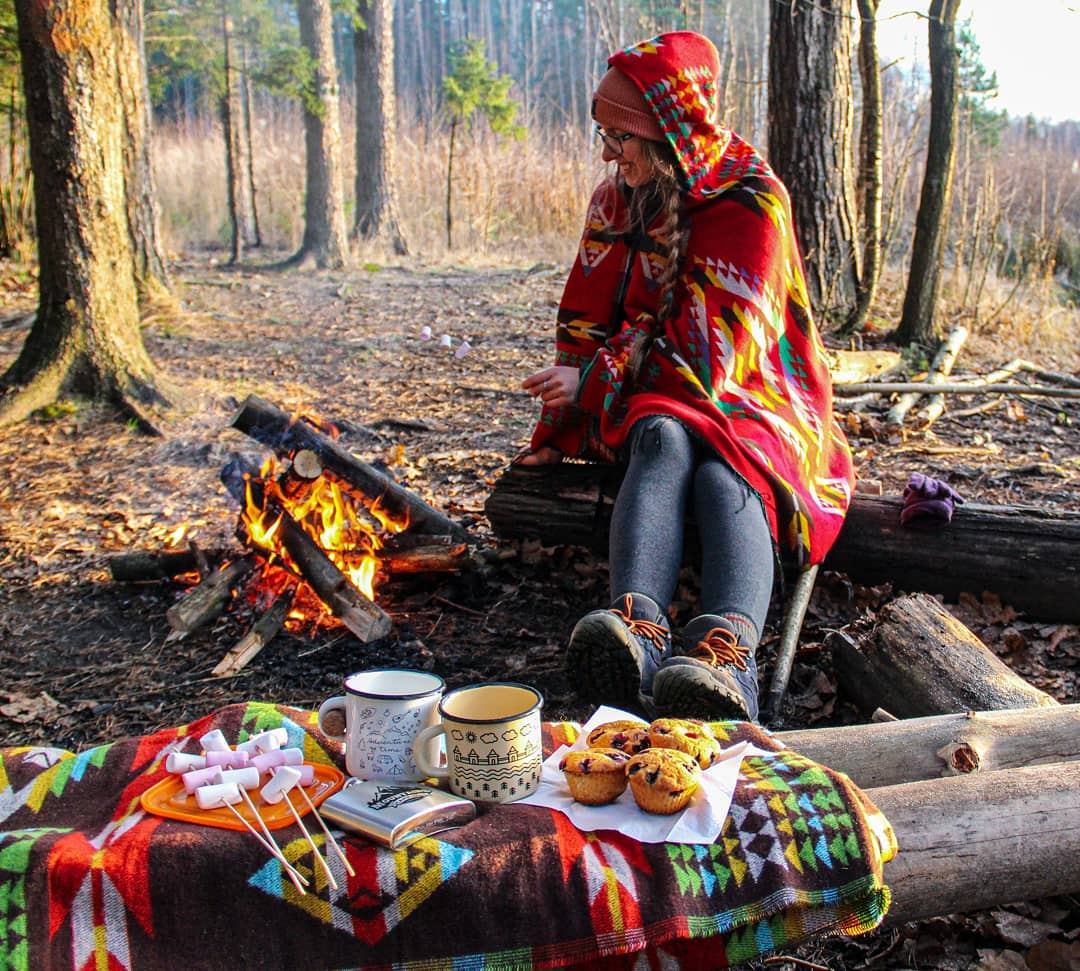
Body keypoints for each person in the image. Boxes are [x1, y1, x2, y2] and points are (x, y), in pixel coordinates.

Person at [516, 30, 854, 722]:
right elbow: (587, 312)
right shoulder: (620, 200)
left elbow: (719, 361)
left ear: (667, 131)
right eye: (603, 135)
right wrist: (562, 416)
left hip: (760, 398)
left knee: (727, 469)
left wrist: (599, 383)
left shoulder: (753, 202)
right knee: (662, 435)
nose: (608, 154)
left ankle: (726, 657)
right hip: (660, 397)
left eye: (620, 137)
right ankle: (636, 631)